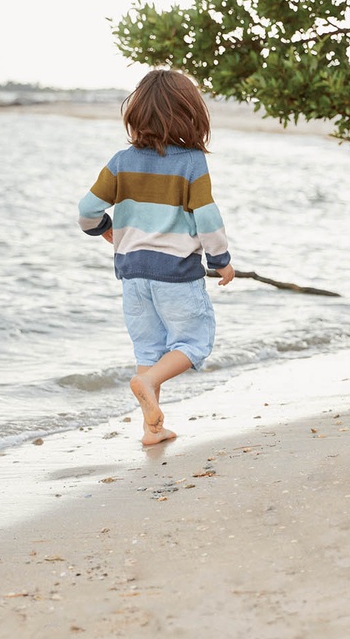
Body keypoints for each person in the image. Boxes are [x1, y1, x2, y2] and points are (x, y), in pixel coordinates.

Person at [78, 69, 235, 445]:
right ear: (190, 114)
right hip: (175, 273)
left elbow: (87, 209)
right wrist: (220, 260)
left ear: (136, 114)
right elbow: (207, 218)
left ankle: (153, 429)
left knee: (149, 348)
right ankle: (148, 384)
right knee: (194, 342)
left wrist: (103, 229)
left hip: (132, 273)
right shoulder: (191, 162)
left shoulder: (121, 161)